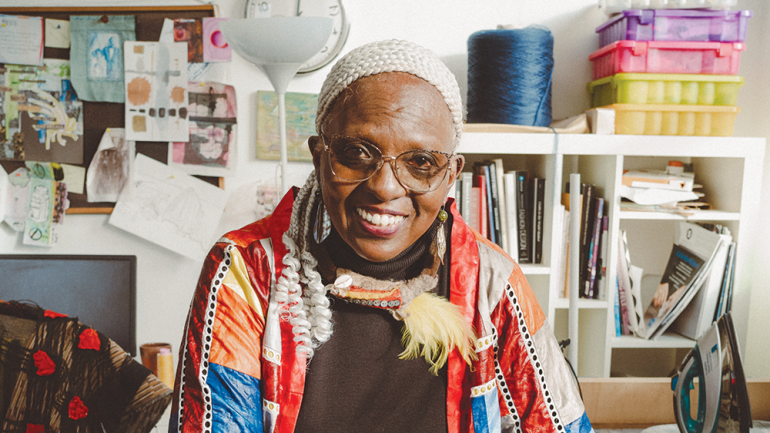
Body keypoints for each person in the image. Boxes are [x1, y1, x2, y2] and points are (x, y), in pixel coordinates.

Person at [169, 39, 593, 433]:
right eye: (356, 152)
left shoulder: (492, 284)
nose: (386, 187)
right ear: (320, 155)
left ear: (451, 175)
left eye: (422, 161)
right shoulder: (247, 272)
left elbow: (557, 421)